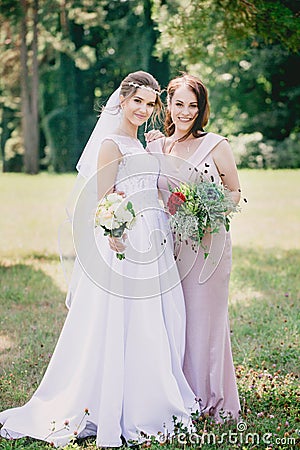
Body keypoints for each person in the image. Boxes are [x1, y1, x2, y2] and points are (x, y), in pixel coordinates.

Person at [0, 71, 196, 448]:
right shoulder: (110, 143)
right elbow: (103, 200)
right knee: (119, 322)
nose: (142, 109)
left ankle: (149, 395)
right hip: (124, 243)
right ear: (121, 100)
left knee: (152, 322)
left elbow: (151, 186)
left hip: (153, 239)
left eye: (150, 103)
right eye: (136, 100)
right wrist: (118, 235)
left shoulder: (141, 143)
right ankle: (108, 402)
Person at [147, 73, 241, 421]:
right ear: (168, 105)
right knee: (174, 321)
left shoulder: (217, 145)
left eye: (193, 105)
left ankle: (210, 399)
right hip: (168, 246)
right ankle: (178, 397)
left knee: (204, 321)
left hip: (207, 246)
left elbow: (235, 192)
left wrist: (204, 207)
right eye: (179, 103)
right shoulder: (155, 147)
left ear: (201, 109)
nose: (185, 112)